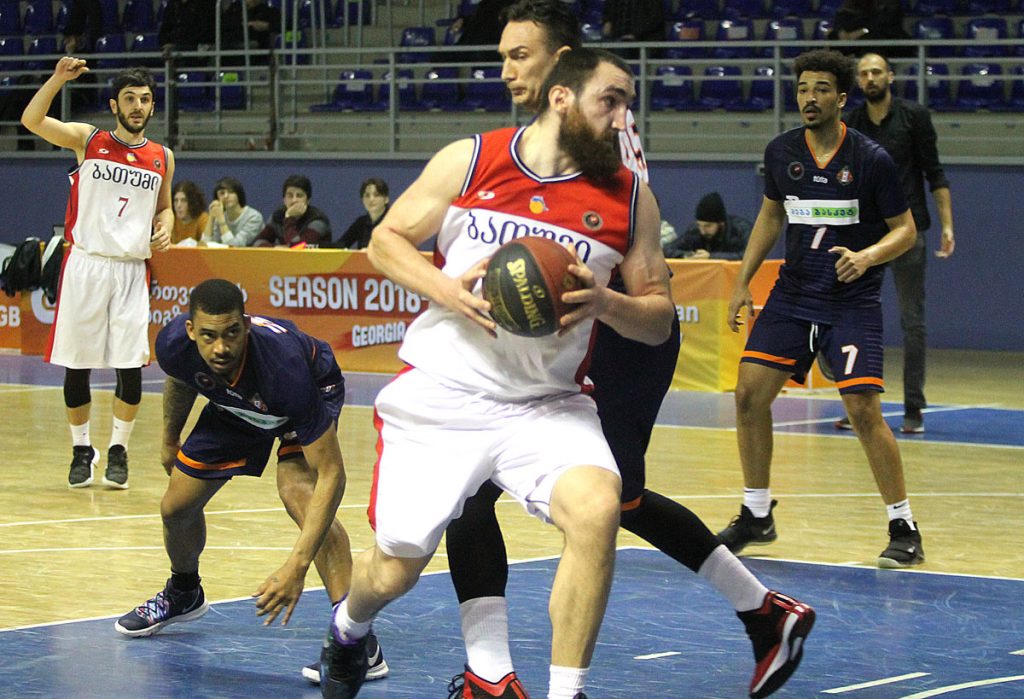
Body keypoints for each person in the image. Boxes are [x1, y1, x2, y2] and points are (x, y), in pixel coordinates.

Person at [438, 4, 814, 699]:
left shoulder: (595, 135)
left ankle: (498, 676)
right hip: (587, 335)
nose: (507, 71)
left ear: (564, 68)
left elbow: (590, 254)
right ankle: (764, 612)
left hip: (615, 333)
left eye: (521, 55)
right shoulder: (544, 136)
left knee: (503, 491)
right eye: (503, 56)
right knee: (596, 498)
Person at [319, 47, 676, 699]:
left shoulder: (632, 199)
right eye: (610, 100)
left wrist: (606, 302)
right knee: (393, 572)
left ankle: (567, 692)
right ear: (562, 98)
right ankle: (348, 629)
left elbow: (658, 320)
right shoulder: (472, 159)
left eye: (628, 104)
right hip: (444, 396)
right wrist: (448, 290)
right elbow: (385, 241)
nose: (622, 118)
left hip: (547, 404)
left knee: (598, 507)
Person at [112, 279, 388, 686]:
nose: (220, 347)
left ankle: (357, 643)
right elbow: (184, 378)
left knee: (300, 492)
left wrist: (296, 567)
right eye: (209, 336)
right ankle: (184, 592)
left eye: (231, 333)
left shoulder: (284, 368)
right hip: (238, 406)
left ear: (246, 325)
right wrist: (170, 437)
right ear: (191, 330)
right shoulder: (173, 344)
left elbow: (333, 474)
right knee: (176, 506)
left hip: (305, 394)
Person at [716, 49, 924, 571]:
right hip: (793, 295)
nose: (809, 98)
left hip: (851, 301)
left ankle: (903, 526)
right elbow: (770, 217)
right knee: (748, 395)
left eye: (821, 89)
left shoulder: (871, 159)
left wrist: (868, 256)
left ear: (841, 98)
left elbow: (906, 231)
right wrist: (742, 282)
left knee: (862, 410)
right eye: (803, 88)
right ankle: (756, 514)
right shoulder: (782, 151)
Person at [21, 60, 173, 489]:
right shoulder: (89, 140)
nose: (138, 106)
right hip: (85, 265)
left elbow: (164, 207)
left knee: (130, 365)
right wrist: (58, 79)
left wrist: (167, 227)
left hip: (130, 269)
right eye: (130, 98)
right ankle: (81, 450)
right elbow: (31, 120)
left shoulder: (162, 156)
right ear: (114, 105)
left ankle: (119, 450)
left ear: (152, 106)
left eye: (145, 99)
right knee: (77, 364)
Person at [838, 52, 955, 434]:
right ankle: (857, 402)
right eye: (864, 73)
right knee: (852, 317)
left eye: (877, 72)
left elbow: (934, 173)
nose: (870, 78)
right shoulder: (851, 123)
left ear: (890, 76)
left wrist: (947, 225)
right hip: (864, 234)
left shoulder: (914, 117)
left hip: (907, 232)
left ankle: (913, 407)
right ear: (858, 81)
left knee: (912, 321)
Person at [663, 191, 753, 260]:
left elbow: (750, 256)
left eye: (708, 226)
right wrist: (686, 255)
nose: (702, 231)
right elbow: (667, 249)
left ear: (721, 223)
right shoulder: (695, 230)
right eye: (700, 225)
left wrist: (711, 257)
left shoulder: (741, 229)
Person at [252, 174, 332, 248]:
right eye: (290, 195)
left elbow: (299, 247)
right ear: (284, 200)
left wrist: (289, 218)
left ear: (308, 201)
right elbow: (257, 242)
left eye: (299, 196)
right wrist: (275, 248)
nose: (294, 200)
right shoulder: (278, 216)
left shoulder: (318, 220)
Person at [826, 0, 911, 58]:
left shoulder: (888, 7)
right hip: (854, 41)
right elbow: (843, 32)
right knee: (833, 36)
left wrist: (862, 31)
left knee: (874, 37)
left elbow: (882, 23)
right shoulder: (847, 10)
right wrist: (842, 32)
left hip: (886, 41)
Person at [326, 178, 389, 250]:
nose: (371, 199)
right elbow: (342, 244)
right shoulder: (361, 223)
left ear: (386, 199)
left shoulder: (393, 222)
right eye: (367, 195)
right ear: (362, 200)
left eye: (376, 195)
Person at [201, 176, 264, 246]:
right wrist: (211, 218)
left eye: (231, 192)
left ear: (238, 194)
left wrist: (222, 221)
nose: (226, 196)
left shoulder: (254, 217)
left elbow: (234, 246)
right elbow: (205, 245)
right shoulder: (219, 217)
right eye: (222, 193)